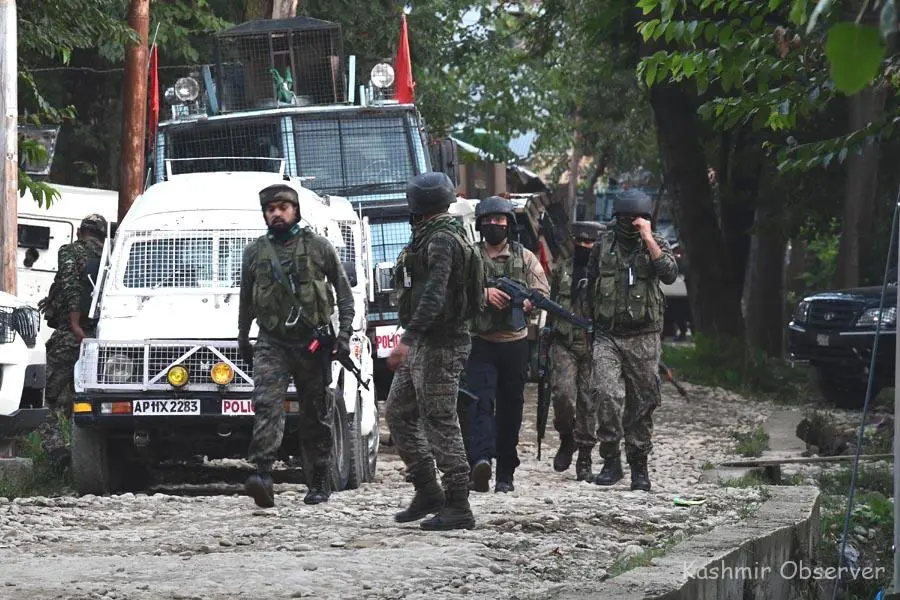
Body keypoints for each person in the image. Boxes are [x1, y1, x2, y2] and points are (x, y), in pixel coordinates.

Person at [239, 184, 355, 509]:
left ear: (295, 210)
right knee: (266, 405)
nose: (276, 213)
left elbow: (344, 296)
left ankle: (319, 477)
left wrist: (343, 336)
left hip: (312, 344)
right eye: (270, 209)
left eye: (282, 207)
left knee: (316, 413)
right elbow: (246, 301)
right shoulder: (254, 252)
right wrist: (242, 337)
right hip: (272, 342)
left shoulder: (319, 247)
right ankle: (262, 475)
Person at [385, 171, 484, 531]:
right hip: (427, 342)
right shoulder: (430, 235)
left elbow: (434, 294)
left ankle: (458, 502)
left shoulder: (441, 239)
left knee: (440, 420)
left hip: (441, 344)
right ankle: (428, 490)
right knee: (398, 412)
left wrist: (406, 340)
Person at [586, 188, 678, 491]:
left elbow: (669, 275)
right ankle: (611, 459)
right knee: (606, 393)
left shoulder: (656, 244)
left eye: (635, 217)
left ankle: (639, 464)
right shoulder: (603, 244)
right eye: (624, 217)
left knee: (643, 403)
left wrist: (649, 239)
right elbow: (591, 284)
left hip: (644, 337)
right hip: (608, 334)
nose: (629, 222)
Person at [465, 196, 549, 493]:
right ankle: (481, 460)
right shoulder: (470, 256)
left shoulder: (524, 257)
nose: (494, 225)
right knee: (480, 403)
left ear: (509, 224)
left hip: (515, 344)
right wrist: (483, 294)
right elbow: (455, 290)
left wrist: (528, 304)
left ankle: (506, 473)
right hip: (480, 343)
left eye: (500, 220)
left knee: (511, 409)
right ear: (480, 224)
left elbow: (541, 290)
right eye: (488, 220)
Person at [548, 221, 605, 481]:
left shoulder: (604, 274)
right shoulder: (562, 269)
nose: (584, 247)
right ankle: (566, 437)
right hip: (564, 341)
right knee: (562, 396)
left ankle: (584, 456)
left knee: (588, 402)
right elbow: (549, 305)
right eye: (580, 242)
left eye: (590, 243)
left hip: (593, 345)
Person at [41, 214, 108, 418]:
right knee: (79, 396)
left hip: (73, 335)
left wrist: (75, 324)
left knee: (41, 393)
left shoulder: (71, 250)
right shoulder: (110, 256)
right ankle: (76, 445)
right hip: (98, 337)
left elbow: (71, 285)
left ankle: (55, 448)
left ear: (79, 232)